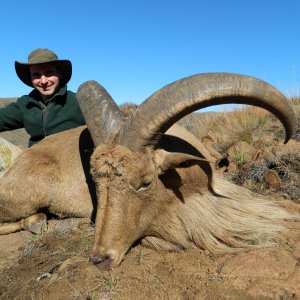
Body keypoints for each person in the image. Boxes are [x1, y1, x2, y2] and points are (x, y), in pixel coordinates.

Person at [0, 48, 86, 148]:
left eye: (49, 73)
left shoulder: (79, 102)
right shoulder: (24, 104)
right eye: (36, 75)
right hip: (34, 160)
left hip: (71, 161)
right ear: (31, 78)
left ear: (59, 74)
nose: (44, 81)